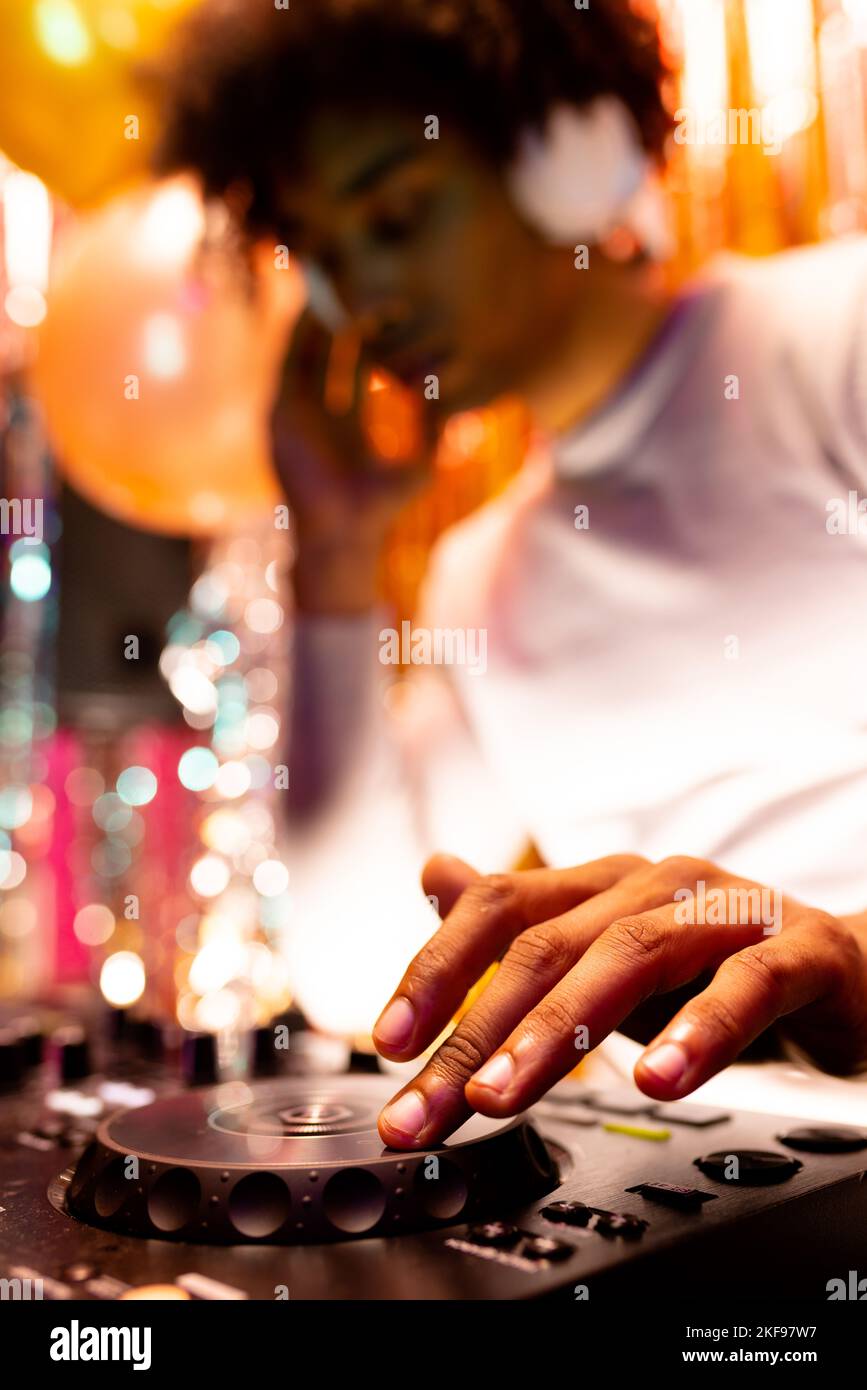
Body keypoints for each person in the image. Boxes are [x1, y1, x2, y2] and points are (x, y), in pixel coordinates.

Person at [157, 0, 867, 1151]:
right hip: (702, 1173)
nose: (364, 301)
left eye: (394, 215)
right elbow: (362, 976)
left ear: (566, 155)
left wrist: (851, 961)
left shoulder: (838, 333)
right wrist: (334, 552)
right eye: (328, 258)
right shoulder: (478, 572)